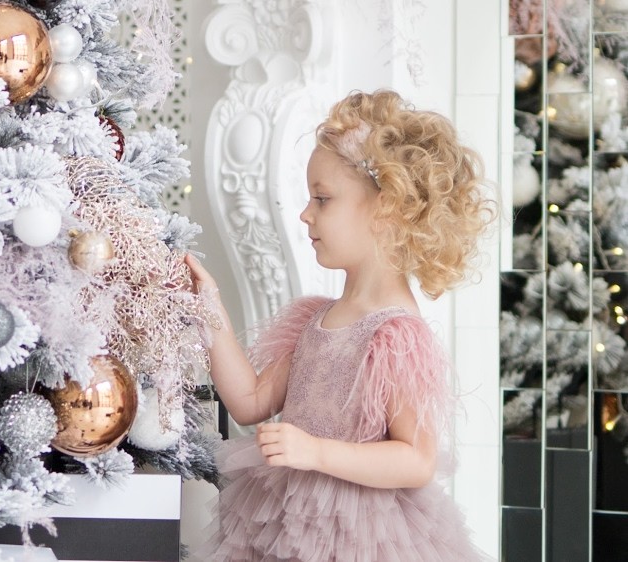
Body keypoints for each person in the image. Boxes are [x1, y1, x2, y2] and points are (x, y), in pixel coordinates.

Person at [186, 89, 496, 561]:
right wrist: (208, 306)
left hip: (363, 535)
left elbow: (416, 459)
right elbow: (249, 402)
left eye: (322, 199)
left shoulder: (395, 336)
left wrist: (315, 452)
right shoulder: (314, 318)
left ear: (386, 207)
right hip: (285, 518)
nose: (304, 214)